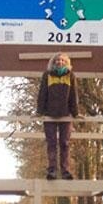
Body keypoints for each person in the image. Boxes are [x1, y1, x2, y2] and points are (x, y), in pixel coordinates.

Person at [36, 51, 79, 179]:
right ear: (53, 63)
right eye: (57, 60)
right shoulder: (47, 75)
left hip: (65, 114)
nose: (59, 62)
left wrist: (75, 113)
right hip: (50, 114)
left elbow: (73, 94)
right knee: (51, 143)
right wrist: (39, 111)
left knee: (65, 143)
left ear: (66, 63)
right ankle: (52, 170)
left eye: (62, 60)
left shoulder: (70, 75)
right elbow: (42, 93)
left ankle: (65, 171)